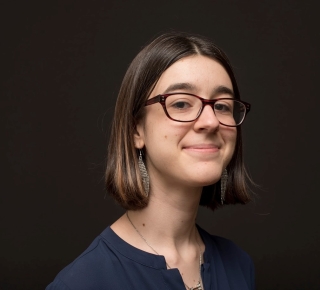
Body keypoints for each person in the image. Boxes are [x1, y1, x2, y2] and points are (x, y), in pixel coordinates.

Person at [46, 31, 254, 290]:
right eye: (181, 103)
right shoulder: (84, 282)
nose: (211, 121)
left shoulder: (239, 265)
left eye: (222, 106)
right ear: (136, 130)